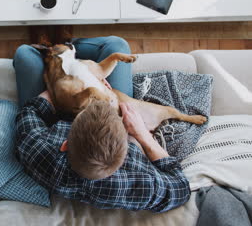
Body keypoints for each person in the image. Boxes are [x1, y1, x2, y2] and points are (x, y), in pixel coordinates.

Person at [13, 36, 191, 212]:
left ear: (65, 145)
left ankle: (67, 51)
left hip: (65, 104)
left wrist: (60, 88)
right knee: (117, 44)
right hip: (111, 100)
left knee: (25, 53)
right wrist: (143, 134)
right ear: (125, 151)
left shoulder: (41, 154)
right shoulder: (138, 184)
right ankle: (72, 50)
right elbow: (181, 188)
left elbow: (29, 112)